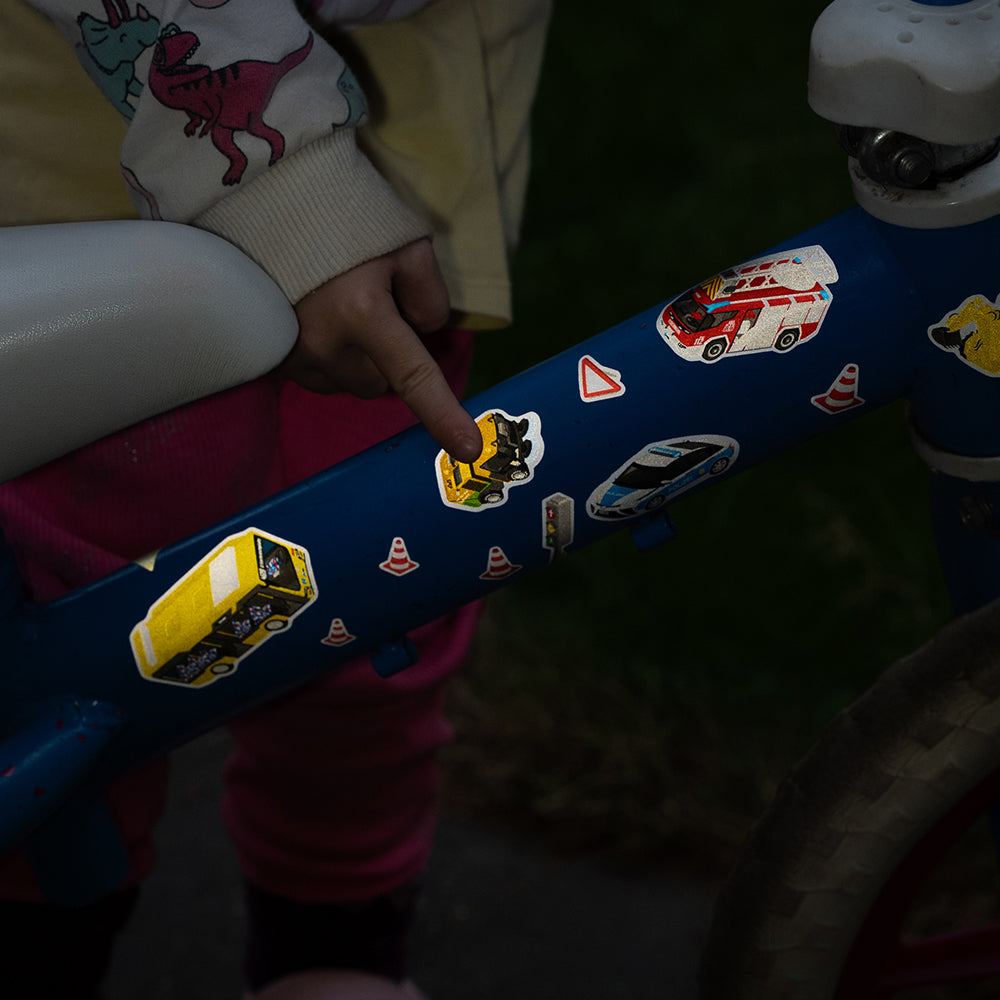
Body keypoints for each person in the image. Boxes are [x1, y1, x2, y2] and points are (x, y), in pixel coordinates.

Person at [0, 0, 550, 996]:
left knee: (375, 643)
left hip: (385, 217)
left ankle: (330, 945)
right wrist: (282, 175)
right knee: (54, 709)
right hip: (102, 254)